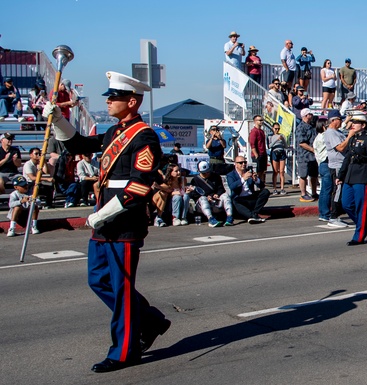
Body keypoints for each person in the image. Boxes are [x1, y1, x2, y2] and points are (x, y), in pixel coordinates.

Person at [43, 71, 170, 372]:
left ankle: (124, 351)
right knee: (98, 279)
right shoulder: (114, 133)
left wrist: (100, 214)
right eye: (109, 97)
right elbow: (79, 146)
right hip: (103, 219)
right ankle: (150, 320)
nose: (109, 101)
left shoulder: (144, 136)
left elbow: (139, 187)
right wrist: (60, 119)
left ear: (132, 101)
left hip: (123, 221)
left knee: (121, 288)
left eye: (114, 97)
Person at [338, 112, 367, 245]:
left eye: (356, 123)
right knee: (346, 204)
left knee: (361, 207)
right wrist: (341, 175)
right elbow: (347, 158)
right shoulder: (352, 139)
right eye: (352, 122)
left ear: (363, 125)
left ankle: (358, 236)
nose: (352, 125)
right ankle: (364, 225)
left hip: (362, 176)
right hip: (350, 175)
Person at [324, 110, 349, 227]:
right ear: (333, 120)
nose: (341, 121)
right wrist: (349, 137)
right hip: (337, 166)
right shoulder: (331, 133)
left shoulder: (337, 132)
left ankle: (337, 214)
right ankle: (333, 216)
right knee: (337, 191)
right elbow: (340, 147)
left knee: (341, 190)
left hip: (342, 164)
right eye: (340, 119)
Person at [227, 155, 269, 223]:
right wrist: (243, 179)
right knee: (234, 201)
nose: (243, 164)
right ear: (236, 164)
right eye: (241, 163)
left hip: (250, 197)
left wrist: (256, 179)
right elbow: (232, 186)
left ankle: (254, 213)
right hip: (240, 199)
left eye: (245, 162)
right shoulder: (231, 175)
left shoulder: (249, 172)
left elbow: (262, 186)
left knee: (265, 192)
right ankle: (252, 216)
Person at [190, 160, 233, 227]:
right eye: (204, 173)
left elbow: (221, 188)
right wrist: (207, 197)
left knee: (225, 196)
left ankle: (229, 216)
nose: (206, 174)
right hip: (202, 204)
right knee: (203, 199)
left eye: (208, 172)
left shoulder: (216, 177)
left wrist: (217, 194)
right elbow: (193, 194)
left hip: (215, 201)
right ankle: (210, 219)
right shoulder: (195, 180)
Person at [295, 108, 319, 202]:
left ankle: (314, 192)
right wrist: (312, 149)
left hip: (312, 156)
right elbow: (301, 142)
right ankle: (303, 194)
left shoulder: (312, 126)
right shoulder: (301, 127)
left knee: (314, 175)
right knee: (303, 175)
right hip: (303, 155)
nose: (311, 116)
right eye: (310, 114)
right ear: (305, 115)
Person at [268, 122, 287, 194]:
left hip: (282, 152)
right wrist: (276, 140)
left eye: (278, 129)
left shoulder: (282, 135)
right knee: (275, 171)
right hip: (275, 152)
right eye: (275, 129)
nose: (277, 130)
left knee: (281, 171)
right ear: (273, 128)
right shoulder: (270, 136)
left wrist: (283, 140)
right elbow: (269, 146)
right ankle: (275, 188)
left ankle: (282, 188)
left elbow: (285, 146)